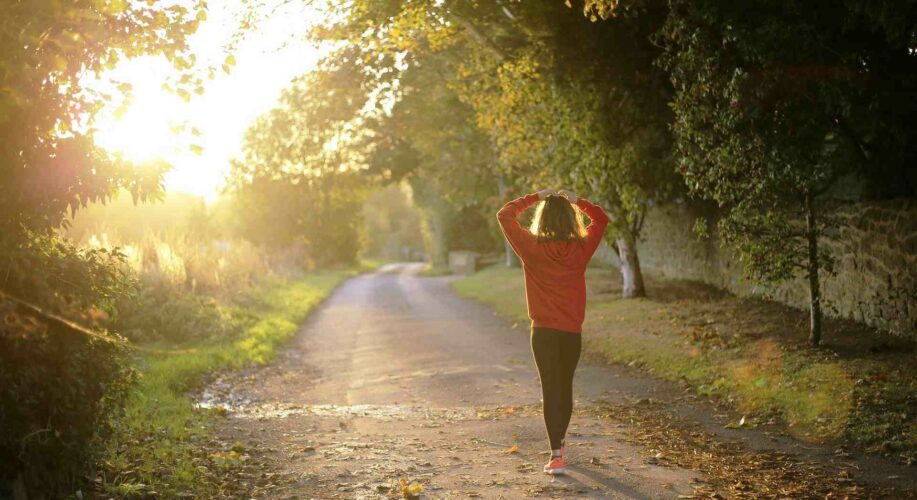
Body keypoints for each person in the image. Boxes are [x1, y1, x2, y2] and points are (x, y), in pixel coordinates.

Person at [496, 188, 609, 475]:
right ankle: (559, 442)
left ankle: (556, 453)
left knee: (550, 388)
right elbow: (601, 219)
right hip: (571, 331)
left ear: (542, 218)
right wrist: (578, 201)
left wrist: (535, 196)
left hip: (543, 332)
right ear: (571, 219)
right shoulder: (581, 248)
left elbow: (504, 215)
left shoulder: (531, 246)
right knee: (565, 387)